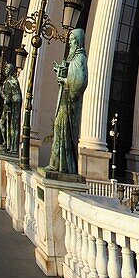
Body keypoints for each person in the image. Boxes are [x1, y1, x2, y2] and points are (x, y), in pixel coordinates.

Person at [46, 29, 88, 176]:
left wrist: (64, 80)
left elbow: (80, 82)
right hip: (64, 99)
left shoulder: (80, 58)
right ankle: (57, 164)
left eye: (71, 41)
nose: (69, 43)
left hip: (70, 103)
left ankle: (62, 166)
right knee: (58, 127)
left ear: (77, 41)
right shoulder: (73, 58)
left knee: (61, 126)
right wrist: (61, 72)